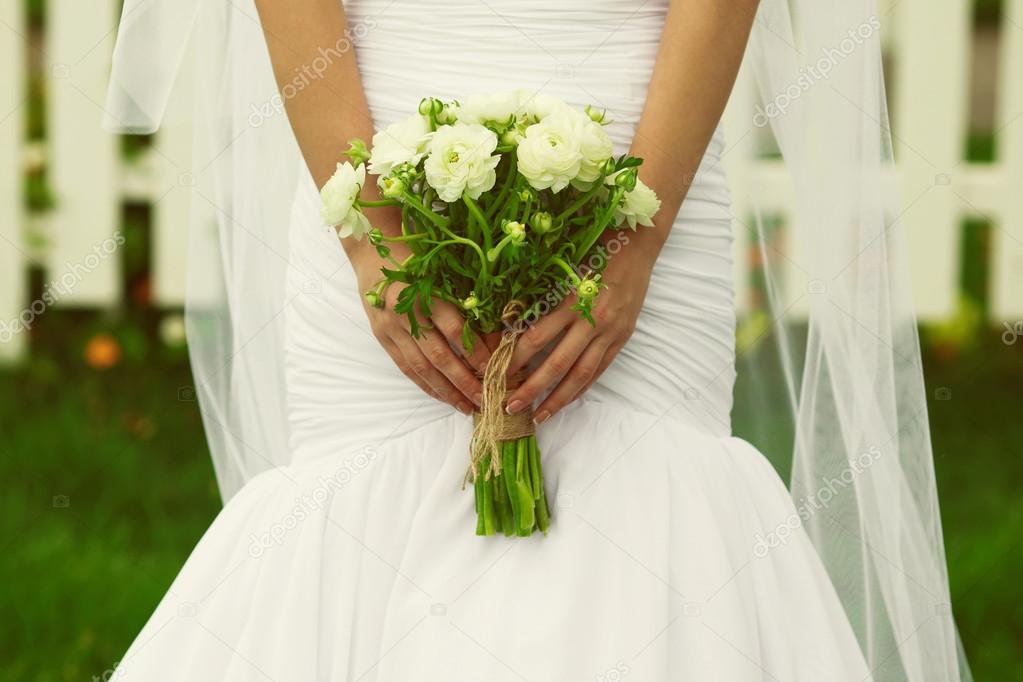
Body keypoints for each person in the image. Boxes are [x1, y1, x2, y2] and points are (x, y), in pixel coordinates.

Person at [103, 0, 971, 680]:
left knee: (647, 498)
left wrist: (636, 242)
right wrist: (373, 239)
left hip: (642, 138)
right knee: (366, 492)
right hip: (371, 140)